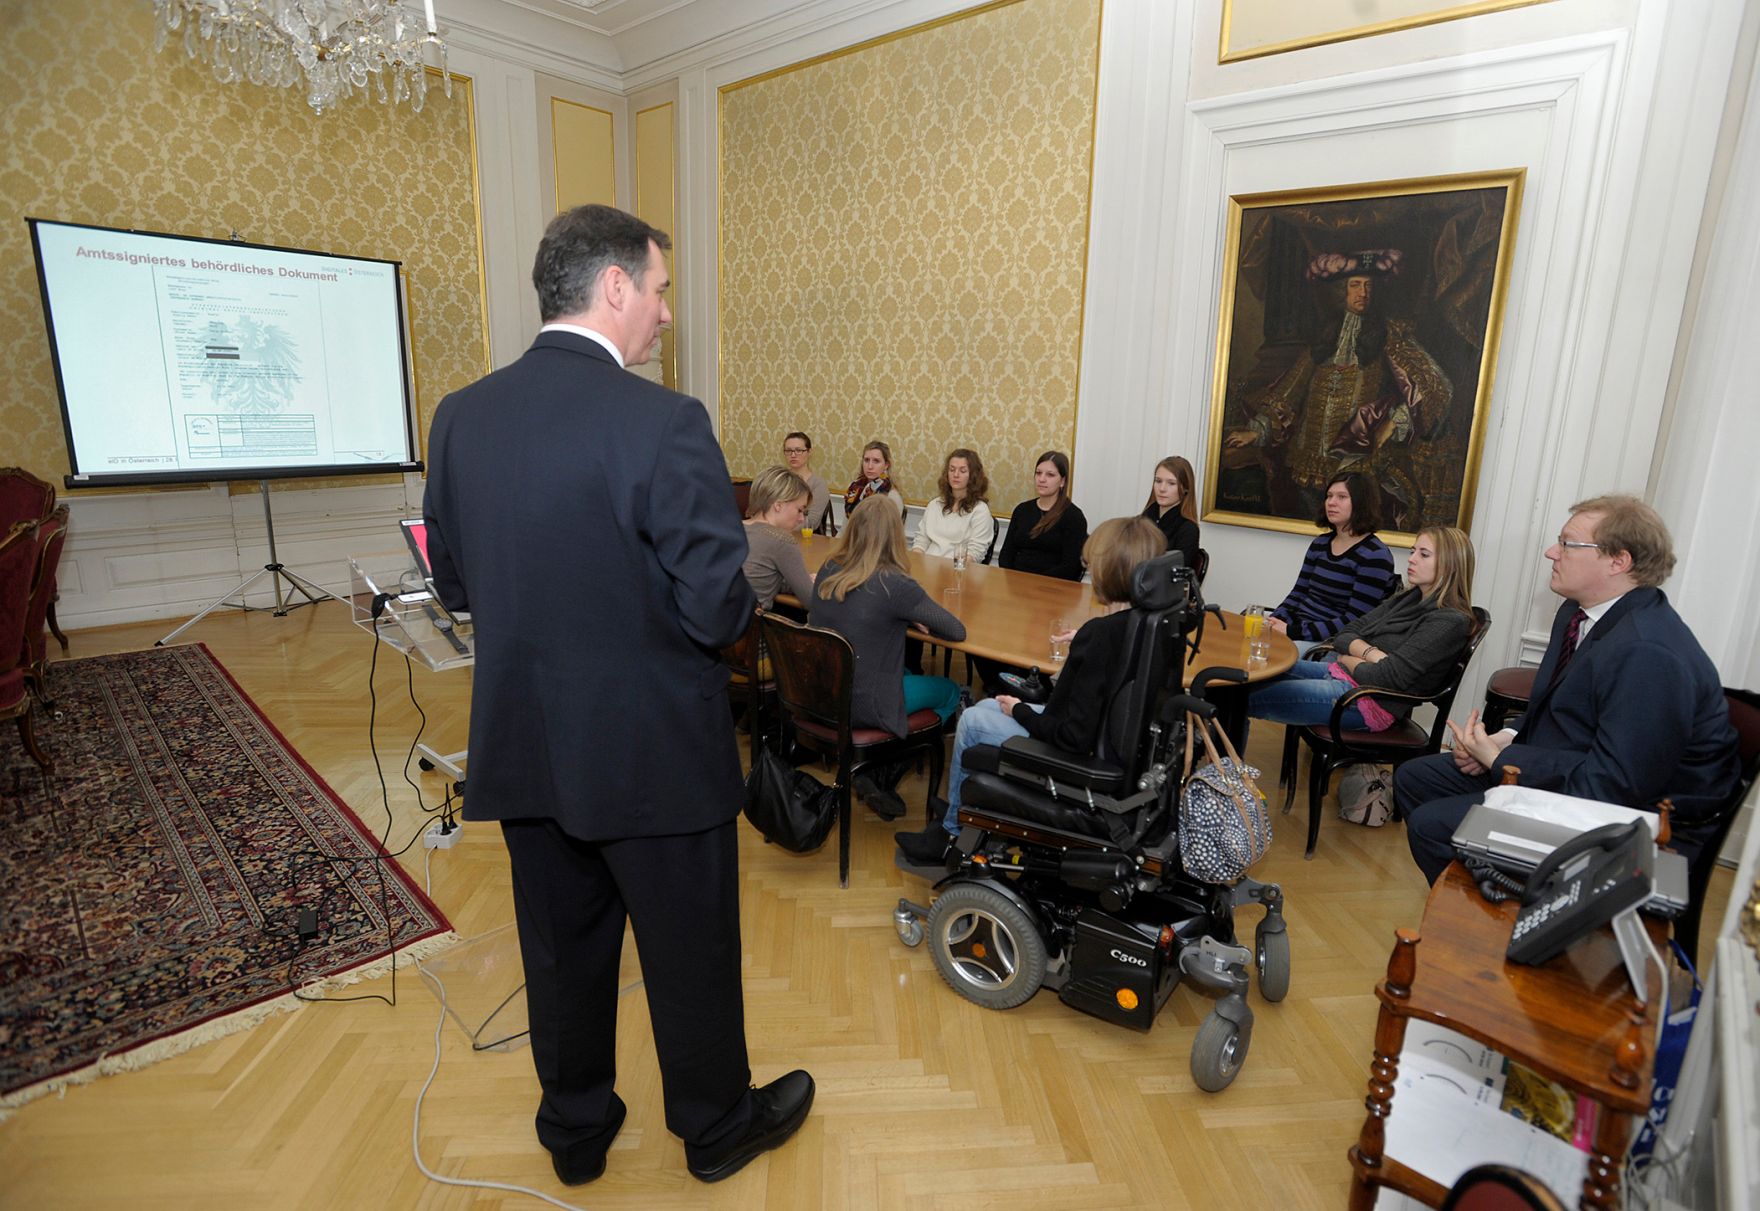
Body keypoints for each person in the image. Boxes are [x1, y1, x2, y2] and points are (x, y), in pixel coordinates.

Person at [422, 204, 812, 1187]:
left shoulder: (461, 416)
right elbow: (719, 606)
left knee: (559, 951)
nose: (666, 313)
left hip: (527, 746)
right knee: (688, 953)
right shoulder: (664, 421)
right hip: (653, 758)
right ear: (613, 288)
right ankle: (716, 1124)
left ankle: (577, 1128)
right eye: (660, 287)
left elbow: (457, 587)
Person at [1400, 495, 1740, 885]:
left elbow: (1613, 785)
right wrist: (1504, 739)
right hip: (1573, 769)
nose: (1551, 552)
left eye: (1567, 543)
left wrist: (1502, 762)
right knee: (1416, 779)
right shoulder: (1578, 612)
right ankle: (1490, 900)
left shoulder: (1647, 652)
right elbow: (1557, 707)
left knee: (1432, 825)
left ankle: (1508, 918)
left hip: (1632, 820)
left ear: (1619, 561)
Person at [894, 517, 1168, 866]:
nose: (1089, 572)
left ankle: (950, 835)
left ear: (1110, 570)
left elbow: (1071, 737)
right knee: (991, 703)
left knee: (975, 719)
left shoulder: (1099, 636)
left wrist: (1019, 710)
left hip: (1078, 754)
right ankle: (958, 805)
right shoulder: (1149, 624)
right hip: (1110, 747)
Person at [1222, 249, 1456, 530]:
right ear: (1340, 291)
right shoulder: (1325, 337)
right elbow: (1290, 391)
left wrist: (1394, 422)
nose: (1363, 293)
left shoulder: (1390, 338)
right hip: (1307, 462)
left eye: (1369, 286)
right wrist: (1258, 430)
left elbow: (1435, 388)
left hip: (1357, 464)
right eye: (1355, 285)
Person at [809, 496, 967, 820]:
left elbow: (862, 612)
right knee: (952, 691)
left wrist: (904, 617)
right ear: (896, 535)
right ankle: (882, 773)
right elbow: (955, 630)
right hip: (865, 704)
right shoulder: (895, 584)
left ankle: (872, 771)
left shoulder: (829, 567)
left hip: (822, 695)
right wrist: (909, 615)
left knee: (907, 669)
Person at [1246, 526, 1476, 732]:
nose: (1411, 559)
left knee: (1239, 698)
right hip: (1340, 674)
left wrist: (1350, 658)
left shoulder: (1449, 621)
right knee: (1245, 677)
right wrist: (1373, 656)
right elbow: (1346, 632)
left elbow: (1388, 677)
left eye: (1423, 554)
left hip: (1365, 702)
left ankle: (1225, 775)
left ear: (1450, 565)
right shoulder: (1407, 598)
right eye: (1413, 551)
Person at [1266, 471, 1396, 650]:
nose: (1331, 502)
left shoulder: (1375, 555)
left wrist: (1292, 631)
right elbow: (1298, 593)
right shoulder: (1320, 543)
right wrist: (1276, 619)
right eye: (1329, 496)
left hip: (1324, 642)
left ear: (1361, 503)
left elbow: (1354, 621)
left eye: (1342, 497)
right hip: (1296, 629)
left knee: (1267, 658)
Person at [996, 450, 1088, 581]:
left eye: (1050, 475)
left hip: (1052, 588)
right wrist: (1015, 580)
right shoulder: (1022, 510)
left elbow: (1071, 567)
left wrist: (1035, 582)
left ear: (1062, 481)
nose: (1042, 479)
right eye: (1038, 473)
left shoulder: (1073, 517)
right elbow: (1006, 555)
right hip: (1016, 585)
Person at [741, 465, 814, 611]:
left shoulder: (734, 528)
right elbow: (812, 601)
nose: (801, 519)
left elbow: (760, 574)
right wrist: (811, 582)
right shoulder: (781, 540)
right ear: (778, 505)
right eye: (800, 510)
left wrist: (799, 580)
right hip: (749, 629)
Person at [911, 447, 995, 563]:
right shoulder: (934, 504)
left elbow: (975, 553)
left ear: (973, 475)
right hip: (927, 568)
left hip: (957, 571)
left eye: (962, 471)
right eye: (952, 469)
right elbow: (921, 541)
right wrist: (916, 564)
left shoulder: (980, 510)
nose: (956, 474)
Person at [1140, 455, 1200, 571]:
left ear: (1186, 488)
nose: (1162, 488)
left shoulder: (1188, 529)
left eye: (1171, 483)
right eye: (1158, 481)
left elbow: (1175, 575)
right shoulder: (1145, 517)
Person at [781, 431, 830, 532]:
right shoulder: (778, 479)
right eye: (788, 450)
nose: (793, 455)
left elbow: (812, 522)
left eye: (799, 450)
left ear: (809, 452)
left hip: (802, 538)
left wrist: (780, 530)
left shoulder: (818, 484)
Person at [843, 440, 906, 518]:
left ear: (886, 465)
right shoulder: (853, 488)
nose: (870, 466)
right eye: (866, 460)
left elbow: (891, 529)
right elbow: (845, 526)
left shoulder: (892, 496)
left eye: (876, 461)